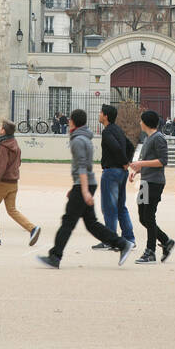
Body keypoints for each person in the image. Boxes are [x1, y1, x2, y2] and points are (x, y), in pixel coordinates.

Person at [38, 109, 134, 268]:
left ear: (73, 122)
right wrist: (78, 187)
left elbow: (82, 167)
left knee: (68, 221)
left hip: (84, 185)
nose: (68, 122)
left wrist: (82, 190)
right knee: (91, 224)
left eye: (69, 120)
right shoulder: (85, 138)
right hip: (86, 183)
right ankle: (122, 243)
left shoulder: (77, 140)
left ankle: (55, 256)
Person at [128, 110, 175, 264]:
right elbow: (148, 161)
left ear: (146, 122)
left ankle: (150, 251)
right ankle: (166, 241)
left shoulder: (159, 138)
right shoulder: (148, 138)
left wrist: (140, 164)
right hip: (146, 182)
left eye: (141, 121)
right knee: (143, 217)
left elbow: (162, 161)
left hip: (155, 182)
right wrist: (136, 171)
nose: (140, 123)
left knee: (149, 216)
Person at [0, 120, 40, 247]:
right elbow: (16, 163)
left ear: (3, 131)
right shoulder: (15, 144)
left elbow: (2, 168)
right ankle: (32, 228)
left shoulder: (3, 147)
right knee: (11, 210)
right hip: (14, 182)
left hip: (3, 183)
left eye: (1, 127)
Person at [94, 104, 136, 251]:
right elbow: (130, 146)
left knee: (109, 207)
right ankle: (129, 238)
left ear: (105, 116)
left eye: (100, 112)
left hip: (111, 172)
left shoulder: (107, 132)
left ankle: (110, 240)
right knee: (120, 207)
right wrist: (127, 162)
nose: (99, 114)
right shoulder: (118, 130)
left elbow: (116, 148)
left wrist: (125, 162)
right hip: (121, 173)